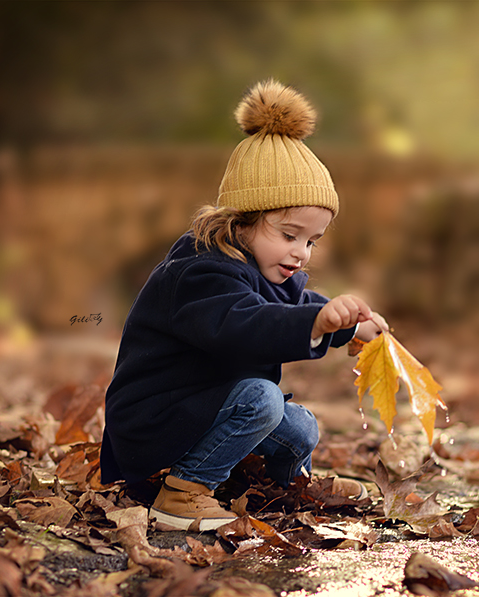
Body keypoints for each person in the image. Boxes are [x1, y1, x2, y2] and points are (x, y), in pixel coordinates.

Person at [100, 79, 387, 530]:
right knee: (261, 399)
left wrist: (351, 326)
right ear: (242, 221)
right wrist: (315, 321)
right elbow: (244, 324)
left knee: (301, 427)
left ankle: (287, 483)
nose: (301, 252)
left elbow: (296, 304)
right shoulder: (198, 272)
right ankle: (183, 491)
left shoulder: (262, 267)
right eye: (289, 235)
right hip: (153, 423)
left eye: (312, 240)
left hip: (197, 411)